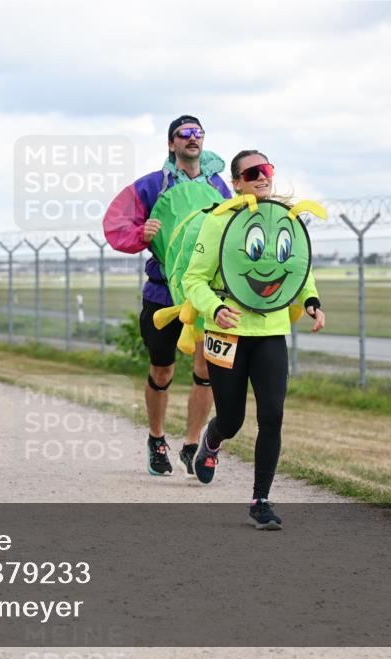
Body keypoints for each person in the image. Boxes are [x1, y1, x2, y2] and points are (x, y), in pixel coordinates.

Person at [182, 150, 326, 529]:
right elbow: (193, 279)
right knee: (232, 420)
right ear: (236, 183)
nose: (263, 177)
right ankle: (212, 438)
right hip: (226, 331)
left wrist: (310, 300)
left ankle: (260, 500)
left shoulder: (284, 220)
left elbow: (296, 269)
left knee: (273, 416)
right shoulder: (220, 223)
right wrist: (214, 309)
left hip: (271, 332)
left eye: (268, 170)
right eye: (253, 172)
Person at [103, 114, 232, 476]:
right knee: (162, 370)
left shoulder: (219, 186)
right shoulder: (151, 185)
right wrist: (142, 233)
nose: (193, 139)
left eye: (198, 133)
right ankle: (156, 439)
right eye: (184, 134)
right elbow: (115, 224)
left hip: (205, 294)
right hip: (162, 294)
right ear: (171, 143)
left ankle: (193, 445)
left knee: (205, 369)